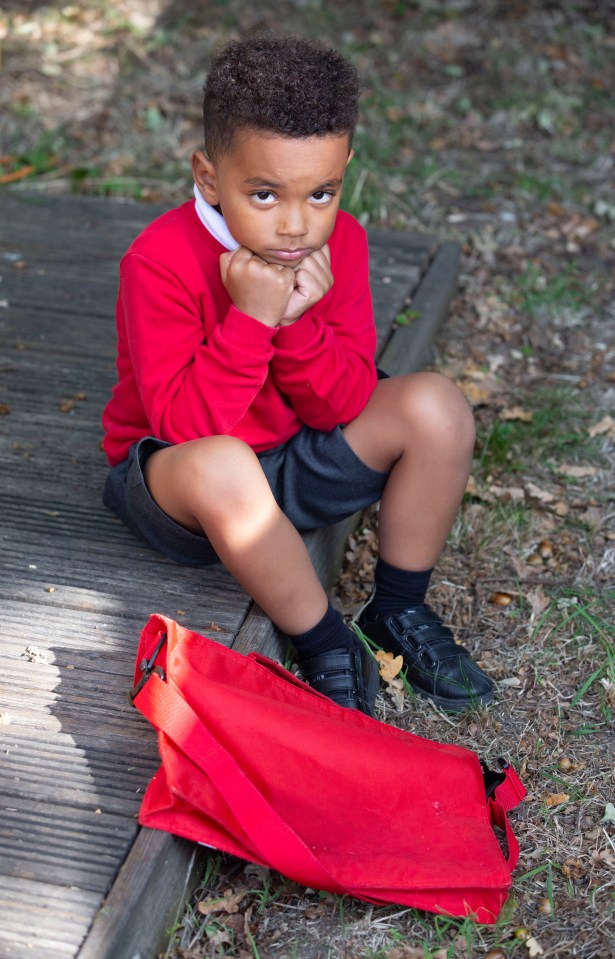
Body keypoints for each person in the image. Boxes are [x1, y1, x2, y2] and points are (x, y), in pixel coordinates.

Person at [102, 35, 494, 718]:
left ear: (344, 169)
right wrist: (250, 320)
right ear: (207, 176)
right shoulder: (158, 261)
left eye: (321, 192)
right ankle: (322, 639)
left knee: (435, 404)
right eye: (263, 193)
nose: (294, 224)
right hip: (184, 485)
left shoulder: (338, 243)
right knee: (221, 462)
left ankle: (396, 613)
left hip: (293, 457)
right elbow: (184, 429)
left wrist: (296, 322)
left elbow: (340, 402)